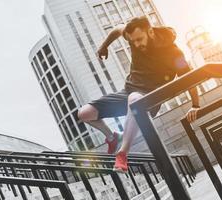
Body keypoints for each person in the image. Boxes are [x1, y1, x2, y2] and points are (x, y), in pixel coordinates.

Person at [77, 16, 200, 173]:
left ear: (150, 31)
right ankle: (112, 137)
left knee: (135, 99)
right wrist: (104, 46)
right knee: (84, 113)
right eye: (133, 41)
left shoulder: (174, 52)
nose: (136, 44)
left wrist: (195, 105)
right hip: (127, 92)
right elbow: (116, 30)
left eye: (140, 39)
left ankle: (122, 154)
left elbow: (188, 78)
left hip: (150, 99)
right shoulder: (132, 35)